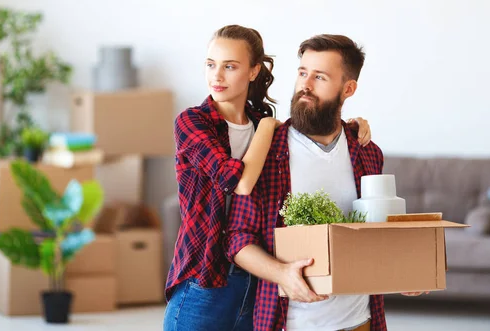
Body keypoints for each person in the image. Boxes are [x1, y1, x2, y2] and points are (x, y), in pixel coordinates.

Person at [164, 26, 372, 331]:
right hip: (205, 278)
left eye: (229, 66)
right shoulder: (193, 121)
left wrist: (353, 124)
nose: (216, 76)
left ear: (253, 72)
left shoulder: (262, 122)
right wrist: (266, 128)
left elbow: (313, 127)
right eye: (210, 64)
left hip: (254, 280)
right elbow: (239, 183)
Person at [226, 34, 424, 331]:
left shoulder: (367, 152)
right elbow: (237, 238)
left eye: (320, 77)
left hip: (362, 321)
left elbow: (376, 234)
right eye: (303, 73)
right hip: (291, 323)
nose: (305, 85)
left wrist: (405, 271)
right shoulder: (266, 153)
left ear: (348, 88)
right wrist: (282, 274)